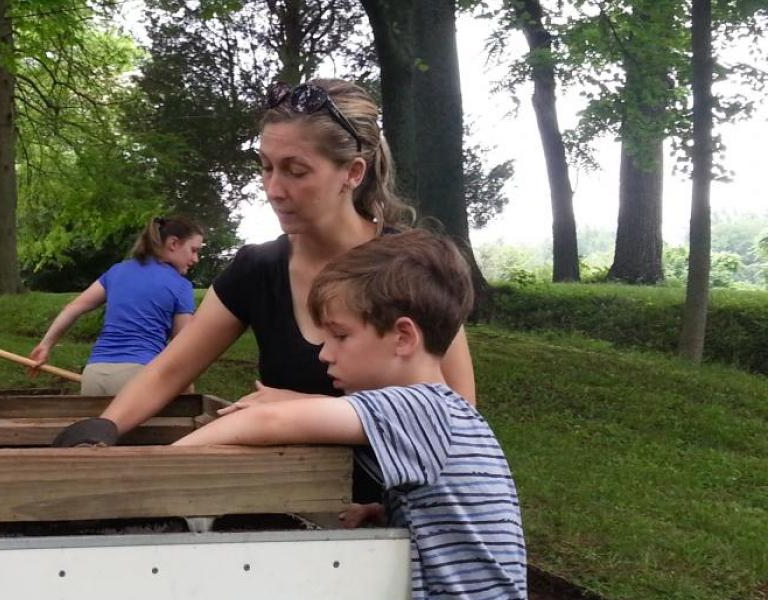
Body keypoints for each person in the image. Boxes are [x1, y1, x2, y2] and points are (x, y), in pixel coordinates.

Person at [51, 80, 477, 503]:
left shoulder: (412, 267)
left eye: (296, 171)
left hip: (396, 520)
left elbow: (457, 417)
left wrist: (296, 406)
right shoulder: (257, 269)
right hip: (284, 506)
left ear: (353, 172)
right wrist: (105, 428)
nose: (274, 190)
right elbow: (168, 371)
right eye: (266, 167)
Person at [175, 229, 526, 599]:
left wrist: (163, 462)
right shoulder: (442, 411)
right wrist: (386, 510)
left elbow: (265, 422)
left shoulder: (417, 408)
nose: (324, 354)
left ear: (403, 337)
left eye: (340, 336)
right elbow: (452, 513)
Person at [28, 216, 204, 396]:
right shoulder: (180, 285)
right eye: (193, 250)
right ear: (173, 243)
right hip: (140, 376)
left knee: (97, 425)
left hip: (94, 374)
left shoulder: (117, 271)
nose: (196, 258)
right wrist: (187, 390)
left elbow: (73, 308)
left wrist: (45, 345)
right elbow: (182, 346)